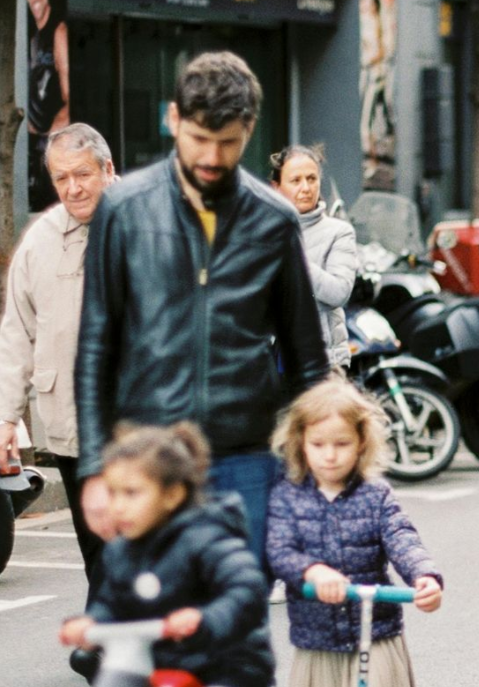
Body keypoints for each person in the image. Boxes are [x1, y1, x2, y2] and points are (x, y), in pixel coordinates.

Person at [75, 50, 328, 568]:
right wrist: (94, 469)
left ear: (250, 129)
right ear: (174, 120)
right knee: (151, 621)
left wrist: (317, 470)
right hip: (145, 456)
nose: (212, 157)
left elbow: (307, 357)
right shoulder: (122, 212)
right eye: (199, 140)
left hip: (247, 459)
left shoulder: (274, 220)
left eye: (228, 143)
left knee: (235, 619)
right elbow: (96, 344)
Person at [58, 422, 278, 687]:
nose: (118, 506)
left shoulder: (207, 536)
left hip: (229, 660)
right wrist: (91, 626)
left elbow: (245, 589)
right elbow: (115, 602)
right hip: (171, 661)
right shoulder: (122, 551)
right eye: (113, 493)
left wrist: (205, 617)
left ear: (172, 495)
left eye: (132, 494)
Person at [266, 377, 443, 687]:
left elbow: (402, 538)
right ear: (300, 442)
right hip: (320, 636)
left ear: (361, 443)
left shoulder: (375, 495)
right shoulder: (288, 497)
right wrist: (310, 573)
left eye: (341, 443)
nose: (329, 454)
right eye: (318, 443)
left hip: (375, 628)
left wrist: (423, 577)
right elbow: (280, 550)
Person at [0, 123, 114, 600]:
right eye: (61, 178)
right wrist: (5, 416)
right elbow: (17, 333)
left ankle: (109, 637)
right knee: (95, 540)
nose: (73, 188)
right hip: (69, 420)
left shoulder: (152, 222)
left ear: (108, 169)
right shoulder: (41, 240)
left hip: (141, 419)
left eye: (83, 174)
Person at [269, 144, 358, 369]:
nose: (306, 187)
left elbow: (338, 292)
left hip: (322, 364)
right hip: (269, 363)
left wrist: (293, 258)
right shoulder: (263, 231)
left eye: (311, 178)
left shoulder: (338, 232)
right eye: (295, 180)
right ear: (276, 187)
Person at [24, 0, 70, 211]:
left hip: (52, 151)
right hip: (36, 153)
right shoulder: (33, 37)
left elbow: (69, 101)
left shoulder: (59, 31)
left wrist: (47, 141)